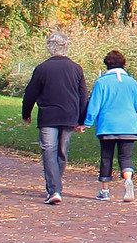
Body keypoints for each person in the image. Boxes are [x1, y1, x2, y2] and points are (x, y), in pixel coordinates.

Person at [21, 31, 88, 205]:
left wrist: (26, 113)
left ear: (50, 48)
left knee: (49, 151)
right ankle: (56, 186)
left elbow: (31, 93)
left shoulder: (42, 69)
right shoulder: (76, 68)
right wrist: (81, 119)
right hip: (69, 116)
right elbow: (83, 96)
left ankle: (54, 189)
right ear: (66, 47)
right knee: (62, 152)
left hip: (48, 116)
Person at [83, 49, 137, 203]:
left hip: (108, 125)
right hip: (129, 126)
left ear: (107, 65)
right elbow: (135, 104)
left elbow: (95, 105)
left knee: (106, 157)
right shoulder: (132, 82)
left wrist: (87, 122)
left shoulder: (102, 82)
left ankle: (105, 191)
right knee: (125, 157)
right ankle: (128, 180)